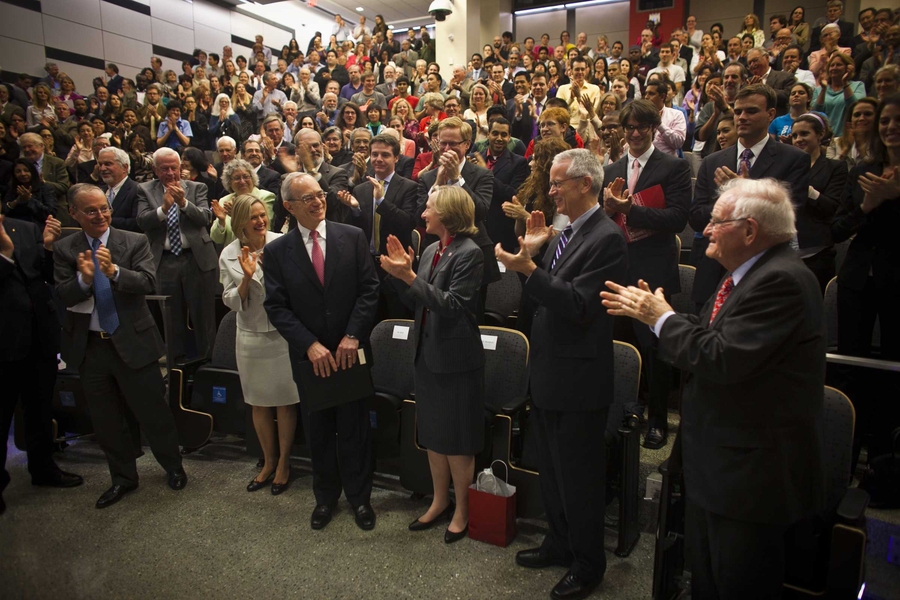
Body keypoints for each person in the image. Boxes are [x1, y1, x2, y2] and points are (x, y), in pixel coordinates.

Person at [601, 176, 826, 599]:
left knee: (736, 583)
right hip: (722, 464)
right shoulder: (748, 274)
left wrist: (662, 320)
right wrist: (663, 316)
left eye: (717, 221)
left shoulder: (782, 282)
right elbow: (712, 341)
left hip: (750, 479)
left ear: (749, 231)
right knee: (706, 577)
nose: (703, 228)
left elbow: (721, 358)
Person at [496, 148, 627, 600]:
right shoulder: (563, 233)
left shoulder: (607, 237)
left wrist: (529, 267)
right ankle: (558, 542)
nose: (549, 191)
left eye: (557, 183)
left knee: (579, 479)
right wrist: (531, 256)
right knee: (550, 472)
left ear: (585, 184)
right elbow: (541, 303)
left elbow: (579, 306)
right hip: (549, 371)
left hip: (580, 381)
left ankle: (588, 564)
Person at [51, 184, 187, 509]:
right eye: (91, 211)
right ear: (74, 213)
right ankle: (123, 478)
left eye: (104, 208)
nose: (101, 215)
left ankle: (173, 467)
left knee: (153, 411)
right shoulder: (65, 249)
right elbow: (61, 294)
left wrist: (113, 272)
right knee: (106, 419)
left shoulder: (133, 240)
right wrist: (84, 281)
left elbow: (149, 282)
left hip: (133, 341)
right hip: (91, 348)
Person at [263, 172, 380, 531]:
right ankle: (325, 498)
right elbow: (277, 307)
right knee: (318, 431)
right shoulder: (277, 251)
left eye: (320, 195)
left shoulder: (353, 236)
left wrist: (352, 335)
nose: (318, 202)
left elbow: (370, 290)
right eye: (307, 199)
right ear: (288, 207)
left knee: (354, 429)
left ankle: (360, 499)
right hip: (310, 357)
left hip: (349, 352)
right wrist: (309, 344)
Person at [379, 185, 485, 544]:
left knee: (457, 440)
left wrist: (409, 277)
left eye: (429, 208)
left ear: (449, 214)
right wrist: (399, 277)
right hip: (426, 353)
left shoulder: (470, 253)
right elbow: (418, 301)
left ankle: (463, 509)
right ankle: (440, 500)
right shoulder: (430, 251)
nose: (423, 214)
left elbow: (453, 305)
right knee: (434, 435)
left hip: (455, 360)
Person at [602, 99, 692, 449]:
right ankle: (624, 410)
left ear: (654, 128)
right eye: (629, 127)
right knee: (618, 344)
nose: (635, 133)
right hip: (617, 268)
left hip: (653, 271)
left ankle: (657, 420)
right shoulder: (612, 170)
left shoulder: (673, 167)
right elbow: (603, 218)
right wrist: (610, 212)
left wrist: (631, 211)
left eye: (641, 127)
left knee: (654, 349)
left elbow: (677, 219)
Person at [690, 84, 810, 310]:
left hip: (764, 275)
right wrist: (728, 199)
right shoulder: (712, 161)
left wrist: (744, 192)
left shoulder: (793, 159)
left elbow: (789, 218)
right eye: (737, 111)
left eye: (751, 111)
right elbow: (696, 218)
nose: (742, 117)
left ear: (771, 114)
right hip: (713, 274)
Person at [832, 94, 900, 466]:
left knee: (893, 368)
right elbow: (837, 230)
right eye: (885, 122)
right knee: (850, 366)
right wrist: (867, 207)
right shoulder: (863, 172)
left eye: (897, 121)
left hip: (897, 282)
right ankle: (845, 452)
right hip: (857, 280)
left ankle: (885, 458)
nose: (890, 128)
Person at [0, 213, 84, 515]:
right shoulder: (9, 240)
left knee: (39, 408)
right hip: (5, 340)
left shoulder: (23, 227)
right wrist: (6, 255)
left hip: (41, 334)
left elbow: (47, 276)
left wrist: (48, 248)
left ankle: (43, 468)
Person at [218, 194, 299, 494]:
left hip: (281, 333)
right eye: (253, 216)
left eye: (262, 214)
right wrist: (246, 279)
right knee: (258, 401)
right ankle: (268, 461)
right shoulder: (228, 253)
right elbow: (228, 300)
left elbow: (298, 285)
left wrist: (273, 268)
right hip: (251, 334)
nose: (261, 221)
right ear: (240, 221)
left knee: (285, 399)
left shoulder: (282, 242)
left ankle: (284, 463)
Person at [136, 148, 217, 360]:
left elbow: (205, 218)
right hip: (164, 261)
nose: (171, 173)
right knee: (171, 319)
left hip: (197, 259)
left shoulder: (197, 187)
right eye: (165, 169)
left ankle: (207, 365)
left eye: (174, 168)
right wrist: (163, 209)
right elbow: (142, 221)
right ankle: (177, 368)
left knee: (204, 317)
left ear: (181, 167)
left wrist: (183, 204)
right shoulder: (144, 190)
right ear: (155, 169)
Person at [416, 118, 501, 319]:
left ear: (466, 144)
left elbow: (480, 212)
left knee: (469, 319)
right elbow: (419, 217)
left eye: (453, 144)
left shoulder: (482, 175)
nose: (446, 148)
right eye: (442, 142)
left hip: (475, 254)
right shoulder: (427, 178)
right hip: (436, 253)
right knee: (433, 314)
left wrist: (457, 180)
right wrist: (437, 183)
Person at [337, 133, 417, 319]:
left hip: (396, 266)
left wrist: (381, 200)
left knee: (397, 319)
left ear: (396, 157)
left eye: (385, 155)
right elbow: (355, 230)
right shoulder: (360, 188)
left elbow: (407, 224)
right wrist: (355, 210)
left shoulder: (409, 187)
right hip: (367, 264)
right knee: (369, 320)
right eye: (374, 154)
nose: (378, 159)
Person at [790, 113, 846, 291]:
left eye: (804, 134)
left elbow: (832, 207)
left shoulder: (834, 168)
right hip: (785, 252)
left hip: (817, 254)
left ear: (820, 135)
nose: (799, 139)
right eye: (795, 135)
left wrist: (807, 189)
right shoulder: (785, 166)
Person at [210, 159, 276, 246]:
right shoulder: (225, 201)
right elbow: (216, 239)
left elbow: (265, 228)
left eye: (246, 176)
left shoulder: (265, 197)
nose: (242, 181)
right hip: (233, 253)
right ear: (229, 182)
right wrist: (221, 221)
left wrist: (236, 215)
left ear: (253, 178)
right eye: (237, 178)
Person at [812, 54, 865, 138]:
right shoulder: (819, 90)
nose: (834, 68)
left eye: (839, 65)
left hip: (847, 138)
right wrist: (823, 89)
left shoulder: (858, 85)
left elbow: (855, 107)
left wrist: (845, 83)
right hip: (824, 139)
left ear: (848, 68)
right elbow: (815, 113)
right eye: (832, 65)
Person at [97, 147, 141, 233]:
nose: (102, 169)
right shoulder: (99, 191)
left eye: (107, 164)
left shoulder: (138, 190)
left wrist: (105, 220)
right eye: (100, 164)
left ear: (124, 167)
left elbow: (138, 223)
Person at [2, 158, 56, 225]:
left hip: (38, 228)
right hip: (15, 228)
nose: (22, 174)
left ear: (32, 172)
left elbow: (50, 214)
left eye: (26, 170)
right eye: (18, 171)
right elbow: (3, 212)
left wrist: (29, 200)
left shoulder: (45, 188)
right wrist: (16, 201)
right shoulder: (12, 189)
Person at [827, 98, 877, 168]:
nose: (861, 118)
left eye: (868, 114)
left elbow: (877, 169)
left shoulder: (882, 145)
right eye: (857, 115)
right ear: (850, 119)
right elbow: (828, 171)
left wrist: (861, 150)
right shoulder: (835, 143)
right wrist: (846, 149)